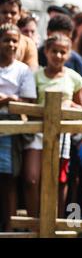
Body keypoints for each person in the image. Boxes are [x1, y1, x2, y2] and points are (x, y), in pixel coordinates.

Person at [28, 34, 82, 218]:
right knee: (32, 178)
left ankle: (57, 220)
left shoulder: (74, 78)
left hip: (63, 136)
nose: (58, 56)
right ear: (46, 51)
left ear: (68, 54)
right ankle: (35, 221)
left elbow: (81, 109)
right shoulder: (36, 76)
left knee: (60, 180)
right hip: (38, 133)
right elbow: (29, 106)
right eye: (54, 51)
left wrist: (71, 107)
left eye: (63, 52)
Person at [0, 23, 36, 230]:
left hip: (11, 128)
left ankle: (9, 228)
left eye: (15, 40)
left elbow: (28, 101)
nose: (11, 44)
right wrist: (8, 99)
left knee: (8, 178)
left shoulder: (23, 70)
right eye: (6, 40)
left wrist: (8, 101)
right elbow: (15, 99)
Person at [38, 14, 82, 83]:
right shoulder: (37, 55)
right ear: (48, 33)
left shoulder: (76, 60)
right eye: (58, 37)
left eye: (67, 38)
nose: (62, 42)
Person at [0, 0, 38, 71]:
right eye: (4, 12)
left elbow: (31, 73)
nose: (9, 16)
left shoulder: (28, 44)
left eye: (13, 13)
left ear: (19, 14)